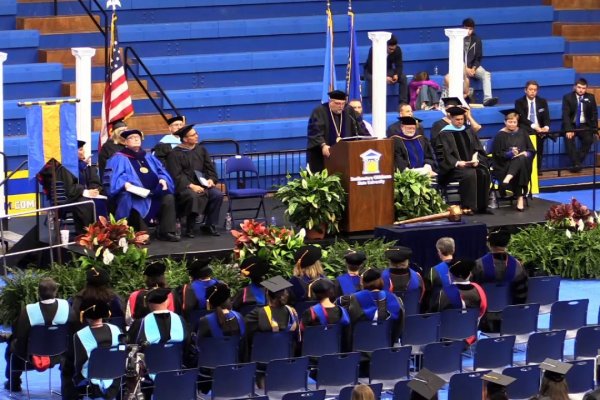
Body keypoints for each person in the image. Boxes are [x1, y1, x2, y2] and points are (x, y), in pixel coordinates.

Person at [107, 129, 179, 242]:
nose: (136, 139)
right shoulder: (119, 158)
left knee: (168, 197)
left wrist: (163, 179)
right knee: (132, 200)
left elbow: (161, 171)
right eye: (131, 138)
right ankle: (140, 233)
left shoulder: (149, 157)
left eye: (138, 137)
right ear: (125, 142)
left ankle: (166, 231)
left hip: (154, 191)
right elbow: (115, 176)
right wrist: (126, 184)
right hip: (134, 193)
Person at [4, 278, 74, 393]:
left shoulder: (28, 310)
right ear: (55, 291)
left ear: (38, 292)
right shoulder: (66, 306)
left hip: (31, 356)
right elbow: (74, 328)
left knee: (11, 349)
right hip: (59, 354)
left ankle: (14, 383)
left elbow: (19, 335)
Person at [166, 124, 224, 237]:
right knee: (194, 196)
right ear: (185, 139)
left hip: (202, 184)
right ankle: (189, 227)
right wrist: (191, 185)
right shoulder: (175, 154)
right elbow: (176, 175)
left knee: (217, 195)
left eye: (196, 133)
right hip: (184, 187)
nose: (197, 136)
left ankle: (209, 224)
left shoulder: (201, 150)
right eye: (193, 135)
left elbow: (209, 168)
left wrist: (211, 180)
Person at [435, 106, 491, 214]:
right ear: (451, 119)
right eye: (457, 120)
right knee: (470, 174)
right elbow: (443, 155)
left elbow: (477, 147)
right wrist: (457, 163)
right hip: (454, 168)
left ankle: (482, 206)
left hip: (470, 164)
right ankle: (468, 207)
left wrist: (475, 159)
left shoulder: (468, 130)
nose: (460, 122)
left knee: (483, 171)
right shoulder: (444, 134)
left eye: (462, 119)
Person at [37, 142, 101, 234]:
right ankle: (86, 235)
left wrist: (95, 190)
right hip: (69, 198)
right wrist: (85, 191)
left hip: (82, 195)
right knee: (86, 204)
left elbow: (94, 181)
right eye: (80, 149)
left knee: (101, 200)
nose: (83, 152)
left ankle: (102, 235)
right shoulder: (65, 168)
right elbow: (69, 190)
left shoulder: (84, 166)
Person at [472, 229, 528, 333]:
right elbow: (522, 296)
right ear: (507, 244)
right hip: (509, 319)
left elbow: (472, 292)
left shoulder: (478, 265)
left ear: (489, 244)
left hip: (483, 320)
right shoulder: (517, 266)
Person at [71, 299, 123, 400]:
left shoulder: (80, 335)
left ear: (86, 317)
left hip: (91, 379)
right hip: (116, 376)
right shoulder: (116, 329)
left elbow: (79, 362)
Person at [430, 259, 487, 346]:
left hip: (447, 337)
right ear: (470, 274)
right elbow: (483, 309)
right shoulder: (479, 290)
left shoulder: (444, 293)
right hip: (470, 334)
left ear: (450, 275)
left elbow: (434, 314)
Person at [306, 90, 365, 172]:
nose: (341, 106)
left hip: (345, 156)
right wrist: (323, 145)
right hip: (323, 157)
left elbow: (360, 129)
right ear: (330, 102)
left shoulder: (349, 111)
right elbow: (315, 131)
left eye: (343, 103)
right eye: (338, 103)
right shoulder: (319, 111)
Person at [243, 276, 299, 359]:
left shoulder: (259, 312)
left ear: (267, 294)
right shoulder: (292, 311)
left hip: (263, 359)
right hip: (287, 357)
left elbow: (244, 329)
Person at [491, 109, 536, 211]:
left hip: (522, 164)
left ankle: (508, 179)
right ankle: (520, 198)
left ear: (517, 122)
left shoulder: (523, 133)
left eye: (514, 122)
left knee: (521, 158)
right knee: (520, 162)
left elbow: (531, 150)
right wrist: (510, 154)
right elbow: (497, 155)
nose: (512, 124)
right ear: (505, 122)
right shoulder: (500, 135)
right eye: (510, 122)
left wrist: (526, 153)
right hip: (504, 165)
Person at [347, 269, 404, 343]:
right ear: (381, 281)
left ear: (363, 283)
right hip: (386, 346)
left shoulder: (353, 299)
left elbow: (348, 325)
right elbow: (399, 324)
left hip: (359, 347)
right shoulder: (394, 298)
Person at [514, 80, 552, 174]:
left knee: (540, 142)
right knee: (529, 134)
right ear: (525, 90)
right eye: (530, 89)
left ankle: (538, 169)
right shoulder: (519, 102)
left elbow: (546, 116)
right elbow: (522, 118)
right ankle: (527, 168)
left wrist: (546, 127)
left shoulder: (542, 101)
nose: (532, 91)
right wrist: (535, 127)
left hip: (540, 129)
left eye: (535, 90)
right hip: (526, 127)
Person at [561, 77, 598, 172]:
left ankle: (576, 164)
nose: (581, 90)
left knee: (589, 139)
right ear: (574, 87)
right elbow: (565, 115)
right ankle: (577, 164)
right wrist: (568, 129)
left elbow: (594, 114)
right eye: (579, 87)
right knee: (569, 140)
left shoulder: (590, 97)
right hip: (571, 124)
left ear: (586, 88)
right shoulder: (567, 97)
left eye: (583, 88)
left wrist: (595, 130)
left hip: (584, 125)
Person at [71, 267, 125, 332]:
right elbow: (121, 321)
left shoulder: (79, 299)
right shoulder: (114, 299)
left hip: (84, 337)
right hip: (112, 337)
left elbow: (74, 321)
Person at [364, 34, 408, 106]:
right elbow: (371, 68)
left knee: (403, 77)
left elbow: (399, 65)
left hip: (387, 70)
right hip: (371, 71)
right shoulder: (374, 49)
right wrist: (383, 77)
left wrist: (396, 74)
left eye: (394, 49)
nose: (392, 51)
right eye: (390, 49)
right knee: (373, 80)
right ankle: (374, 106)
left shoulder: (397, 50)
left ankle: (403, 103)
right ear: (385, 46)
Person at [126, 261, 175, 326]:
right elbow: (172, 315)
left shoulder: (135, 295)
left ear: (147, 279)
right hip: (166, 331)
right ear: (163, 278)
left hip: (141, 332)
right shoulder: (168, 294)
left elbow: (128, 320)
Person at [462, 18, 498, 107]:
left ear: (473, 29)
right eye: (466, 28)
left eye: (470, 29)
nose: (468, 31)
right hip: (461, 66)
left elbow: (478, 57)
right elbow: (456, 57)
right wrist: (465, 68)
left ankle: (487, 99)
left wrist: (474, 68)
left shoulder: (477, 40)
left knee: (486, 74)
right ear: (462, 28)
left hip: (473, 67)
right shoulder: (457, 39)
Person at [176, 259, 219, 325]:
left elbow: (187, 308)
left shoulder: (189, 288)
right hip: (219, 321)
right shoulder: (220, 284)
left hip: (198, 324)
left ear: (193, 276)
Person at [426, 237, 456, 311]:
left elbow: (428, 293)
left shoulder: (434, 271)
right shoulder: (463, 267)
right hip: (461, 309)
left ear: (439, 251)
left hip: (440, 311)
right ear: (453, 250)